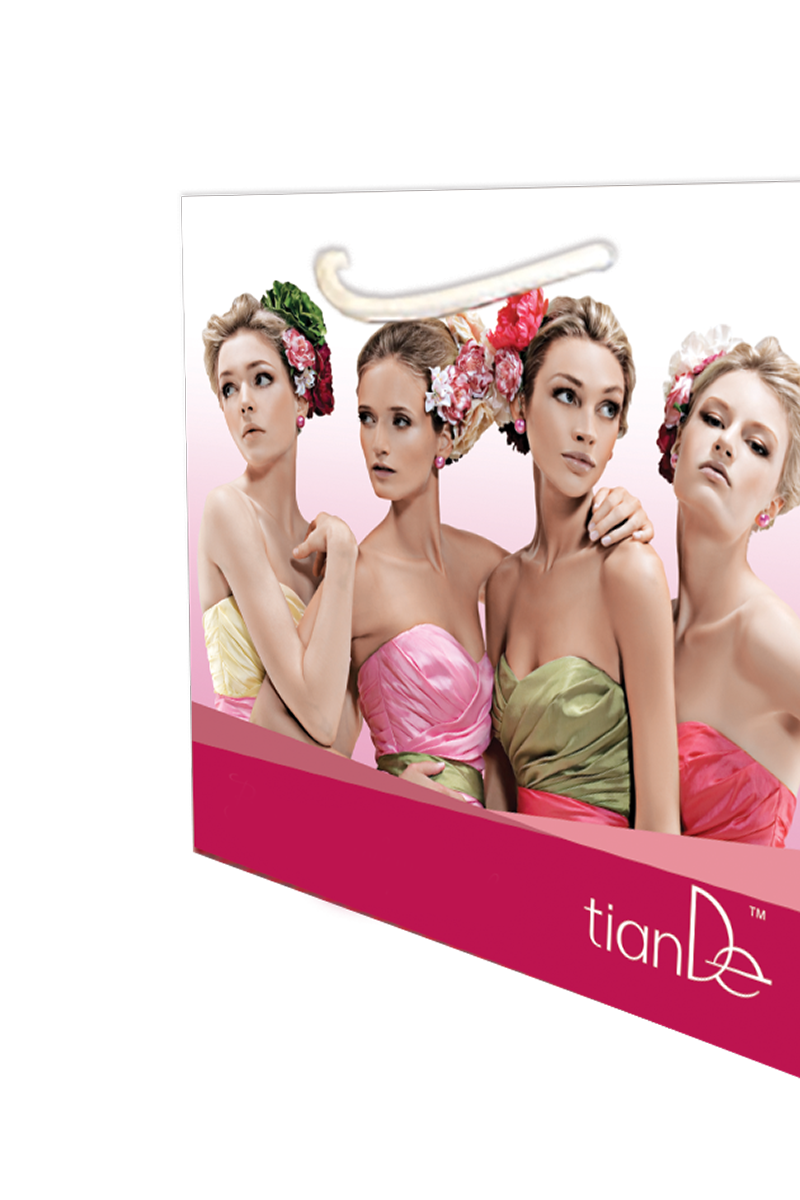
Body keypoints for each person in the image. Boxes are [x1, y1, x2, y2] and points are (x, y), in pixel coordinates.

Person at [251, 303, 655, 808]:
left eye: (400, 421)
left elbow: (567, 597)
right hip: (405, 836)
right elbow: (264, 739)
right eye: (367, 419)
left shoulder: (489, 566)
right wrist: (382, 793)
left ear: (445, 432)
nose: (378, 444)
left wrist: (625, 514)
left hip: (496, 836)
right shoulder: (359, 574)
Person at [486, 293, 680, 833]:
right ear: (521, 404)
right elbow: (497, 780)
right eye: (567, 395)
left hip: (603, 882)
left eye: (608, 408)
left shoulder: (631, 572)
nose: (587, 430)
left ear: (617, 437)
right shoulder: (503, 584)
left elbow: (661, 817)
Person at [657, 329, 800, 846]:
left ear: (773, 503)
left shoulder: (764, 631)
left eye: (757, 445)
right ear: (677, 441)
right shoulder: (648, 621)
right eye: (713, 419)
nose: (726, 443)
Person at [197, 284, 355, 745]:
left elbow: (340, 740)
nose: (243, 400)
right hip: (237, 774)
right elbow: (320, 720)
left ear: (302, 396)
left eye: (261, 378)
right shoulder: (227, 509)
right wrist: (345, 556)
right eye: (229, 388)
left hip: (312, 784)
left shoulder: (317, 548)